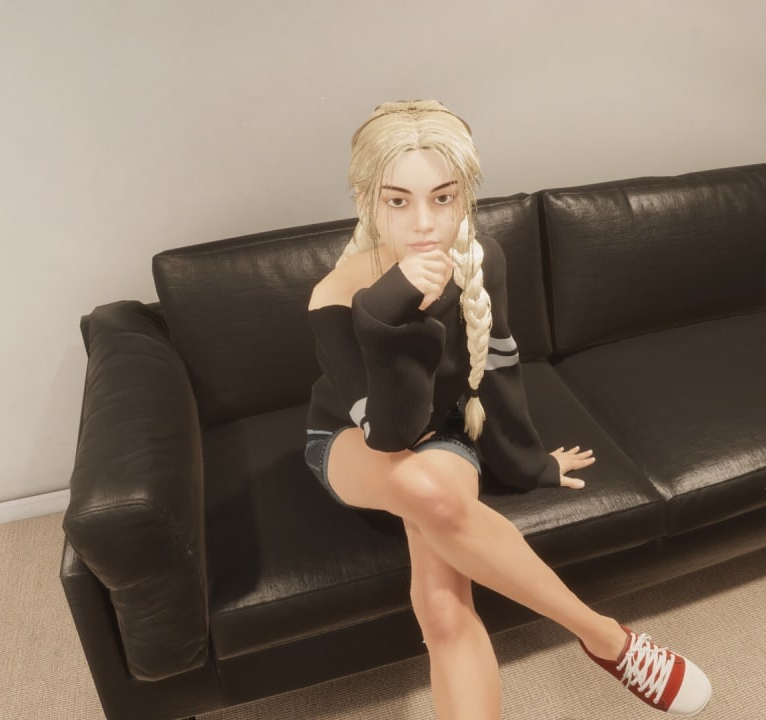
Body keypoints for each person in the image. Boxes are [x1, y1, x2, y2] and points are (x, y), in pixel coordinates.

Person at [303, 100, 712, 718]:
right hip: (350, 437)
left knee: (444, 605)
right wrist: (388, 310)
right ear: (367, 201)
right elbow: (388, 434)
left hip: (444, 434)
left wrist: (530, 464)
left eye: (443, 198)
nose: (424, 223)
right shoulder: (335, 295)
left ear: (464, 197)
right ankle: (605, 638)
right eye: (398, 201)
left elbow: (494, 372)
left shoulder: (483, 259)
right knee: (421, 486)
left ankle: (603, 641)